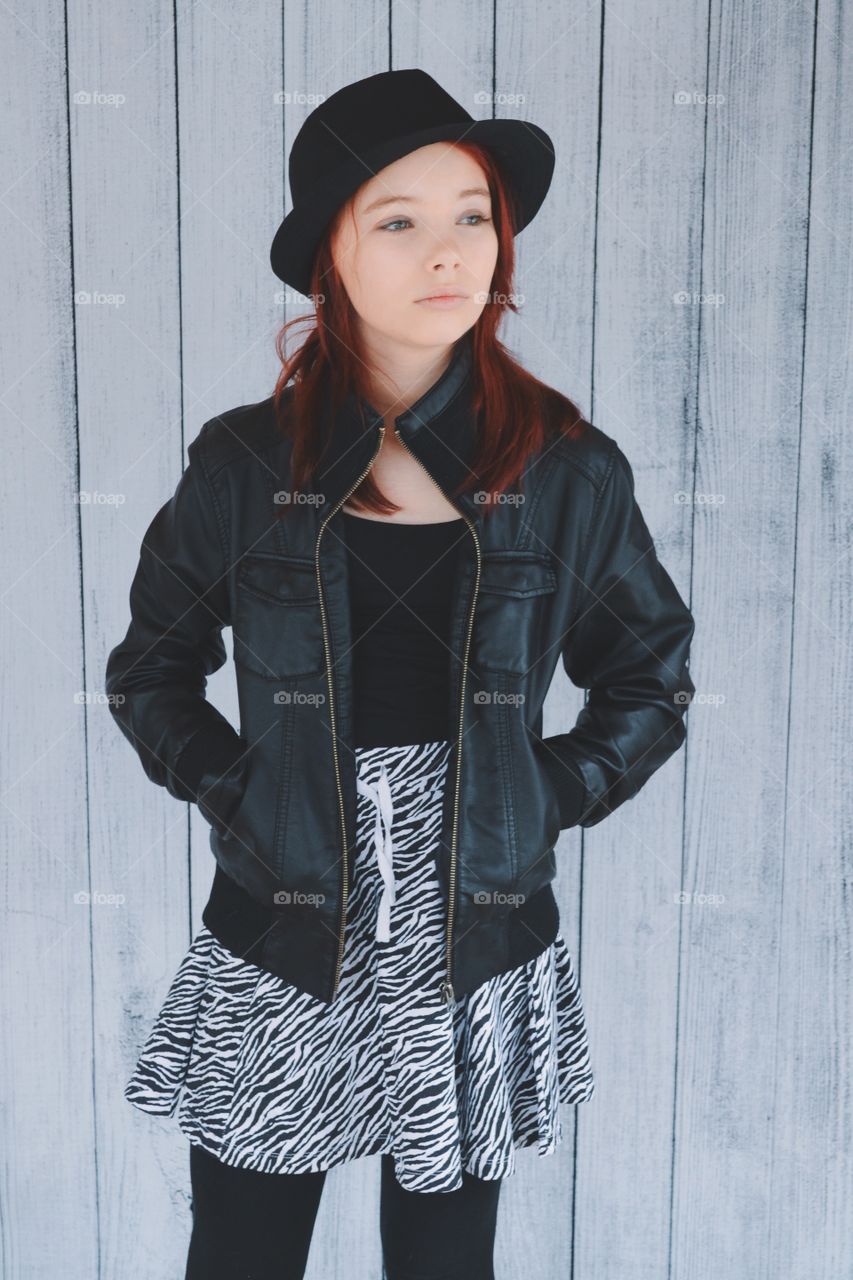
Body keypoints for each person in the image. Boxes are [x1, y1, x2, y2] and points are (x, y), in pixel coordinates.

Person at [106, 69, 695, 1280]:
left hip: (475, 917)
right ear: (330, 253)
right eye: (399, 218)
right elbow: (150, 670)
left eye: (473, 214)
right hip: (284, 915)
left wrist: (552, 791)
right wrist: (240, 791)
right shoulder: (241, 462)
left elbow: (649, 677)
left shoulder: (569, 469)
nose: (449, 250)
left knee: (442, 1261)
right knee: (243, 1252)